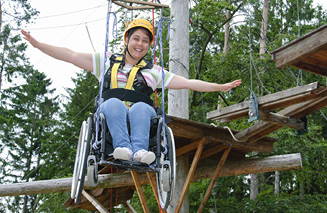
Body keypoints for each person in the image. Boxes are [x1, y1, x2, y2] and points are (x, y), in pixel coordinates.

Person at [21, 18, 241, 165]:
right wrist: (38, 45)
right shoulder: (106, 61)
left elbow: (188, 82)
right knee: (114, 103)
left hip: (141, 115)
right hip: (111, 112)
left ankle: (139, 151)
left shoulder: (154, 71)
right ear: (127, 40)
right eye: (136, 38)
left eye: (145, 41)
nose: (140, 44)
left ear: (148, 46)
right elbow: (70, 55)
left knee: (143, 108)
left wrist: (220, 87)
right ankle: (122, 148)